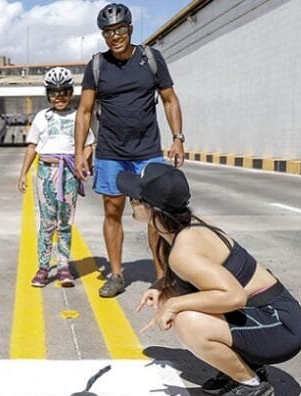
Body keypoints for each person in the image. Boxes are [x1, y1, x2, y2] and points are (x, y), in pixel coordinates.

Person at [119, 163, 301, 396]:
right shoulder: (180, 228)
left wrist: (173, 305)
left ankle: (251, 386)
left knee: (187, 322)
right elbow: (200, 278)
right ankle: (243, 366)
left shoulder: (184, 248)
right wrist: (161, 286)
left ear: (153, 209)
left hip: (279, 326)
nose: (130, 201)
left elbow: (233, 296)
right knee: (186, 305)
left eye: (135, 198)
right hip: (266, 316)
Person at [75, 3, 185, 298]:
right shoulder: (97, 66)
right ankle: (116, 273)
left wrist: (178, 138)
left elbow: (170, 99)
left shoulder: (151, 59)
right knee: (112, 211)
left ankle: (162, 276)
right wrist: (79, 150)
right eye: (109, 32)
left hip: (147, 150)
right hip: (111, 152)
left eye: (120, 29)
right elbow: (84, 112)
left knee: (154, 214)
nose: (115, 36)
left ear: (130, 30)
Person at [18, 67, 95, 288]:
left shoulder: (79, 116)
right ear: (48, 94)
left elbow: (89, 145)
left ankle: (63, 266)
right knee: (46, 223)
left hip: (69, 172)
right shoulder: (42, 117)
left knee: (65, 222)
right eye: (53, 92)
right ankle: (43, 267)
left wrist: (82, 161)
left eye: (63, 92)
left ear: (71, 93)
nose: (58, 97)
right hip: (45, 172)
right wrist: (23, 173)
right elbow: (33, 146)